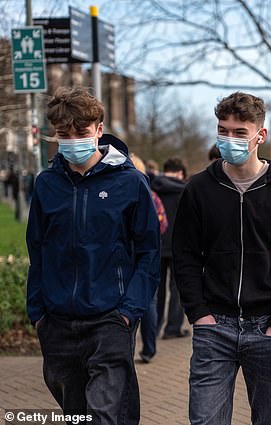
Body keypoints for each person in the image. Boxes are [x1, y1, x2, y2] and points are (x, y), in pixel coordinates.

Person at [172, 91, 271, 425]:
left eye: (239, 132)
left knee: (268, 419)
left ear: (260, 136)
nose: (229, 138)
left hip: (266, 326)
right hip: (214, 327)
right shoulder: (199, 188)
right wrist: (198, 313)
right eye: (223, 130)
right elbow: (186, 256)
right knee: (205, 420)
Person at [26, 86, 160, 424]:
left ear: (99, 130)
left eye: (81, 132)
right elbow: (37, 250)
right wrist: (38, 311)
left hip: (110, 319)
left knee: (105, 412)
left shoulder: (130, 182)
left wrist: (129, 311)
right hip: (57, 322)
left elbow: (148, 253)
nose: (72, 140)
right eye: (63, 134)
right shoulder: (46, 184)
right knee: (76, 415)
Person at [129, 153, 168, 363]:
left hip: (126, 256)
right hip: (149, 254)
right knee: (149, 303)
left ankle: (126, 348)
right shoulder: (152, 196)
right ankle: (149, 349)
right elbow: (162, 224)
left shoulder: (123, 192)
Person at [152, 157, 189, 339]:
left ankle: (155, 325)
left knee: (157, 290)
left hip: (156, 245)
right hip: (179, 246)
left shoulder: (151, 187)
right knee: (177, 288)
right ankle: (173, 328)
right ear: (180, 172)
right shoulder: (185, 191)